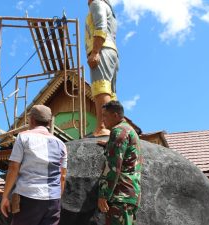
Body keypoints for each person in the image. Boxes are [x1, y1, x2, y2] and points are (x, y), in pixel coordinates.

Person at [0, 105, 68, 225]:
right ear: (49, 122)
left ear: (31, 120)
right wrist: (57, 198)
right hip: (53, 200)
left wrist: (5, 196)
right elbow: (62, 176)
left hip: (28, 197)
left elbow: (13, 167)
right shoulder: (61, 144)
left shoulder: (23, 137)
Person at [97, 101, 142, 225]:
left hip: (120, 196)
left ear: (115, 115)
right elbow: (127, 154)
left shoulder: (118, 132)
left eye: (105, 115)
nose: (102, 119)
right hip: (130, 195)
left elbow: (113, 166)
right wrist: (109, 145)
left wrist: (104, 194)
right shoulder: (129, 130)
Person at [86, 0, 119, 137]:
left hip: (102, 49)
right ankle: (112, 127)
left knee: (101, 87)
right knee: (110, 91)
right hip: (110, 51)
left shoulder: (97, 4)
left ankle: (103, 126)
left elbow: (100, 27)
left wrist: (95, 51)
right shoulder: (108, 8)